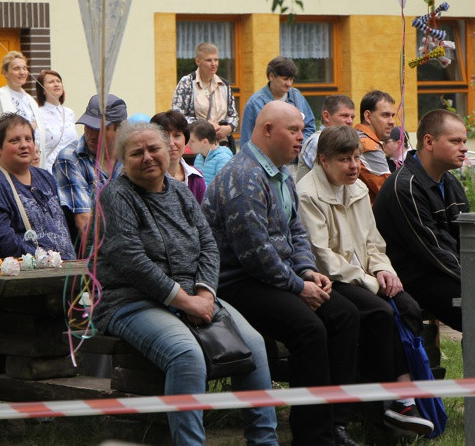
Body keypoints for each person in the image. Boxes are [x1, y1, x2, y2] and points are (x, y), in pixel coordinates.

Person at [93, 121, 279, 446]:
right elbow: (131, 260)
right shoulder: (116, 196)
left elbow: (208, 244)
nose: (148, 157)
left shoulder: (180, 191)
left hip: (195, 295)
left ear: (168, 151)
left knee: (254, 344)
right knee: (186, 354)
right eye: (137, 153)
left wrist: (205, 293)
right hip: (132, 301)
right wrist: (184, 301)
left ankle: (265, 441)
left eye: (154, 148)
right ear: (122, 159)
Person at [202, 100, 360, 446]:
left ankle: (335, 424)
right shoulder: (243, 176)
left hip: (276, 275)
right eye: (294, 130)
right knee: (309, 329)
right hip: (236, 282)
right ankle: (313, 437)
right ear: (267, 130)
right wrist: (298, 286)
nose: (302, 137)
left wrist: (307, 270)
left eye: (302, 130)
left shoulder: (281, 172)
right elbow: (255, 254)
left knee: (345, 315)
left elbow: (296, 231)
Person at [295, 125, 434, 437]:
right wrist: (370, 282)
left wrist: (384, 271)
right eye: (344, 159)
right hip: (332, 279)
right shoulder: (307, 194)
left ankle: (409, 399)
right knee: (379, 312)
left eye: (357, 158)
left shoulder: (357, 188)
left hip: (363, 276)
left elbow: (373, 243)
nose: (354, 166)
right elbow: (323, 257)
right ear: (323, 160)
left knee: (409, 307)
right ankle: (390, 403)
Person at [373, 109, 469, 332]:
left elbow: (465, 237)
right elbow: (432, 249)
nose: (463, 147)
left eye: (464, 141)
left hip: (441, 272)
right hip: (412, 278)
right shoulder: (405, 187)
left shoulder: (450, 182)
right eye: (455, 141)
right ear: (429, 142)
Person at [0, 114, 75, 261]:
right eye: (14, 140)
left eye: (28, 139)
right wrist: (44, 259)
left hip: (63, 269)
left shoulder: (45, 176)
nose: (24, 145)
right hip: (20, 273)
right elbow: (1, 238)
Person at [53, 94, 127, 249]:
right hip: (92, 254)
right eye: (87, 126)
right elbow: (85, 223)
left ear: (120, 130)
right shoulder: (70, 158)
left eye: (99, 129)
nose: (91, 135)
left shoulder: (132, 156)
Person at [171, 42, 238, 152]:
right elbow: (178, 116)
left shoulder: (224, 84)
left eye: (216, 60)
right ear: (198, 61)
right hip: (195, 148)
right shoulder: (187, 82)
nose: (213, 64)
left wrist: (229, 127)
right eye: (209, 60)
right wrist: (206, 125)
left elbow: (233, 115)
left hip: (223, 146)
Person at [240, 56, 316, 148]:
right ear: (271, 76)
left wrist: (298, 145)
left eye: (291, 79)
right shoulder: (255, 103)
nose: (289, 84)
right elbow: (246, 141)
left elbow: (310, 127)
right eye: (285, 79)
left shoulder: (297, 96)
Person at [0, 51, 45, 168]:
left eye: (24, 68)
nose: (22, 72)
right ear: (5, 72)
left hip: (33, 159)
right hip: (12, 160)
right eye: (16, 68)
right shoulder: (0, 96)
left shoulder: (30, 100)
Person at [294, 94, 356, 182]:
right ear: (326, 116)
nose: (350, 121)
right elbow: (332, 178)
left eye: (352, 117)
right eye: (344, 116)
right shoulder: (317, 142)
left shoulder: (344, 141)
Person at [150, 110, 206, 203]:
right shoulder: (148, 178)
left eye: (177, 135)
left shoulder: (196, 178)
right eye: (164, 136)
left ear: (185, 139)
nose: (171, 143)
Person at [354, 90, 396, 203]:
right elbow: (390, 191)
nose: (392, 122)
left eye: (392, 116)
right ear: (368, 116)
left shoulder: (357, 137)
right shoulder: (368, 145)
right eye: (385, 115)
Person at [35, 69, 78, 169]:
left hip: (71, 168)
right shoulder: (37, 114)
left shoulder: (69, 113)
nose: (56, 84)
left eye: (58, 81)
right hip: (49, 169)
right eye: (51, 82)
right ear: (42, 90)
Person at [187, 119, 233, 186]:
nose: (188, 145)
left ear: (205, 142)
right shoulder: (199, 158)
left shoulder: (223, 159)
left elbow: (222, 187)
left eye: (192, 141)